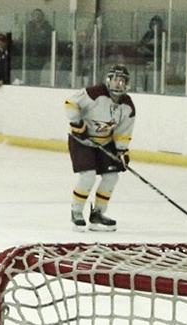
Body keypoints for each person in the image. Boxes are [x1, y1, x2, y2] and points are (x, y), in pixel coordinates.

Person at [65, 65, 135, 231]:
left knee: (112, 177)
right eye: (115, 79)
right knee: (88, 176)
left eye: (122, 80)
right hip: (81, 141)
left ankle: (97, 214)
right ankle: (76, 212)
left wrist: (122, 151)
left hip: (105, 142)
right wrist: (77, 123)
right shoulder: (94, 93)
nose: (118, 83)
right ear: (108, 80)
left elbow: (123, 132)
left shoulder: (128, 106)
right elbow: (70, 104)